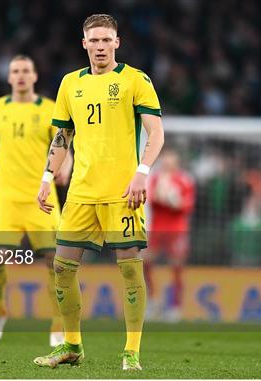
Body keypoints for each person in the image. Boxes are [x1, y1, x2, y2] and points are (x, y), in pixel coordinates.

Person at [34, 14, 164, 371]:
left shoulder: (135, 80)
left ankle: (132, 353)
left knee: (129, 268)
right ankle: (72, 346)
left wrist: (142, 173)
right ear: (84, 44)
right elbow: (62, 137)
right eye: (95, 41)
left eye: (107, 40)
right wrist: (48, 176)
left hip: (123, 192)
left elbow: (156, 133)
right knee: (61, 268)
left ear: (117, 43)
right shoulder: (69, 84)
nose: (101, 46)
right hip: (80, 192)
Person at [0, 55, 72, 346]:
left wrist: (65, 166)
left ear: (34, 76)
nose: (20, 75)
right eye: (15, 71)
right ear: (8, 77)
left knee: (54, 262)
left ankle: (57, 323)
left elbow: (64, 143)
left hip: (41, 198)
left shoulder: (49, 109)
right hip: (5, 198)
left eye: (25, 71)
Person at [144, 149, 195, 322]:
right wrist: (164, 195)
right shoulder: (155, 178)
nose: (167, 166)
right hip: (157, 228)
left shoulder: (184, 180)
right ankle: (153, 300)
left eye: (170, 163)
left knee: (177, 267)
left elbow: (187, 206)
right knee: (145, 262)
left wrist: (174, 200)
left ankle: (175, 307)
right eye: (165, 163)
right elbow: (150, 199)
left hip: (177, 229)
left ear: (176, 164)